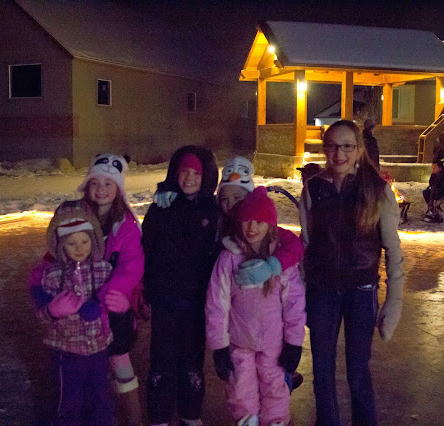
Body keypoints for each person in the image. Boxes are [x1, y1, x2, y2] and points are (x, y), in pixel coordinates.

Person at [300, 120, 405, 425]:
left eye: (347, 146)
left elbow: (393, 250)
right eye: (332, 146)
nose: (339, 154)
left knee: (358, 371)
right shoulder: (314, 188)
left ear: (359, 150)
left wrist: (394, 301)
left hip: (361, 291)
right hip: (321, 290)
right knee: (322, 371)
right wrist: (297, 292)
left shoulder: (377, 191)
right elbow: (305, 244)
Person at [30, 154, 145, 424]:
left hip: (112, 304)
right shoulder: (76, 214)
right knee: (82, 377)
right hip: (77, 315)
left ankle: (133, 417)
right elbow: (54, 255)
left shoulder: (126, 226)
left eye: (108, 184)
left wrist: (107, 297)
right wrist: (41, 289)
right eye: (95, 183)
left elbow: (131, 265)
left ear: (118, 189)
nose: (101, 189)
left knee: (118, 359)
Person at [205, 187, 306, 426]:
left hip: (274, 343)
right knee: (241, 387)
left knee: (275, 385)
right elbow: (217, 304)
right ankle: (247, 420)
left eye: (259, 222)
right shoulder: (229, 259)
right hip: (240, 342)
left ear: (270, 225)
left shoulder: (280, 261)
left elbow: (293, 303)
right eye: (247, 221)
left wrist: (294, 342)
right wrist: (219, 346)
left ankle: (275, 421)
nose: (252, 227)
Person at [142, 145, 219, 426]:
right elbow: (146, 247)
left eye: (196, 173)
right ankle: (159, 415)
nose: (189, 178)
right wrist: (145, 286)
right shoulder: (161, 207)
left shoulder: (212, 210)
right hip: (165, 298)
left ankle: (190, 413)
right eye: (184, 171)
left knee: (192, 359)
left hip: (196, 300)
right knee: (161, 358)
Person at [30, 200, 114, 424]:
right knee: (69, 401)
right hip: (66, 351)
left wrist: (103, 306)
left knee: (100, 398)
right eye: (71, 243)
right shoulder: (52, 275)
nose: (80, 248)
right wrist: (52, 311)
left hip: (98, 348)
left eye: (85, 241)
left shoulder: (104, 270)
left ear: (93, 240)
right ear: (60, 245)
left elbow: (114, 298)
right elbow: (41, 317)